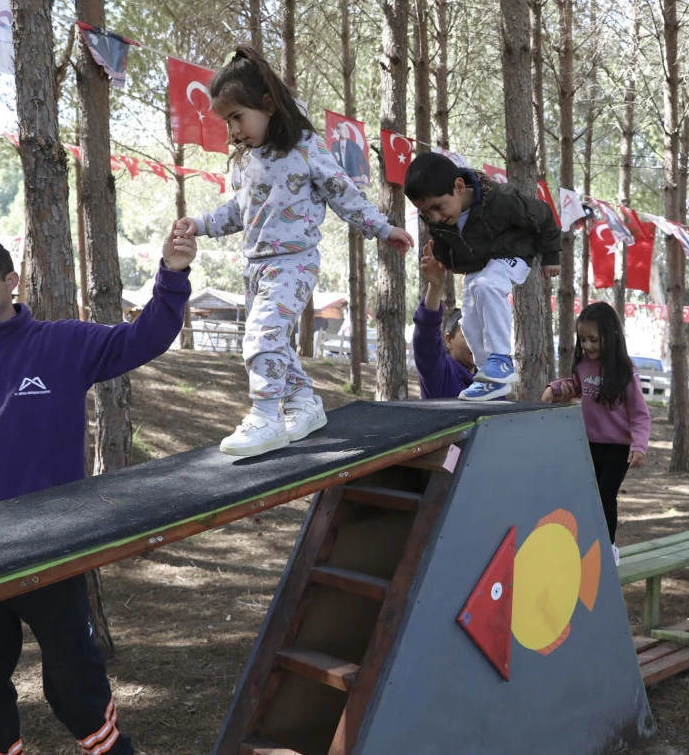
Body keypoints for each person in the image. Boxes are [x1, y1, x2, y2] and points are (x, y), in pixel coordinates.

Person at [0, 231, 197, 755]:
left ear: (11, 281)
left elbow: (145, 337)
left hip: (49, 548)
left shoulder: (63, 344)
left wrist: (173, 274)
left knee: (77, 686)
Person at [174, 47, 412, 457]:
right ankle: (303, 405)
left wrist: (383, 228)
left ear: (268, 105)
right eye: (226, 121)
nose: (233, 130)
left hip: (294, 263)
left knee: (263, 335)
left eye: (236, 117)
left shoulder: (305, 148)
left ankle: (265, 416)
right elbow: (239, 211)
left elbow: (344, 194)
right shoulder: (247, 161)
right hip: (256, 268)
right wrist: (201, 224)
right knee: (277, 343)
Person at [404, 152, 561, 401]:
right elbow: (445, 244)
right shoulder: (437, 219)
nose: (434, 217)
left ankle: (500, 360)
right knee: (468, 320)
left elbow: (543, 213)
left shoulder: (500, 200)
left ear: (458, 187)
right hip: (480, 265)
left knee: (487, 286)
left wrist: (552, 255)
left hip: (514, 253)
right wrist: (444, 263)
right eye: (425, 212)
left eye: (437, 207)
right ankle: (488, 376)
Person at [541, 302, 650, 565]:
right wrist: (554, 388)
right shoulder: (583, 365)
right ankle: (584, 542)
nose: (587, 346)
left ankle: (608, 546)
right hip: (589, 444)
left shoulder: (624, 370)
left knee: (605, 495)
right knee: (585, 495)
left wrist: (639, 446)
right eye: (582, 339)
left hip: (617, 449)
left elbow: (639, 413)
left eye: (593, 339)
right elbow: (575, 386)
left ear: (609, 338)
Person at [414, 239, 476, 398]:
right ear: (449, 340)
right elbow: (425, 339)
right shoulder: (439, 372)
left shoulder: (491, 380)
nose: (477, 342)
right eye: (468, 335)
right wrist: (435, 287)